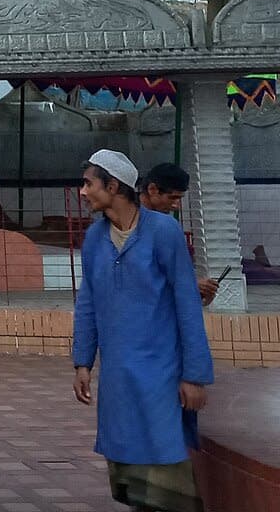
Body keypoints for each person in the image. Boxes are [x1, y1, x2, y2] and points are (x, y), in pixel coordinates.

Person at [72, 150, 213, 512]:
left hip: (161, 373)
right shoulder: (94, 239)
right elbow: (87, 302)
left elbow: (186, 303)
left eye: (89, 183)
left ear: (113, 185)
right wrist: (82, 362)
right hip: (118, 376)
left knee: (165, 469)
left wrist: (194, 375)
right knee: (133, 479)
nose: (83, 191)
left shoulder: (163, 232)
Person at [139, 162, 219, 305]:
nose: (176, 206)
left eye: (179, 199)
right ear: (152, 189)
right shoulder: (129, 223)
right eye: (172, 198)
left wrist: (197, 290)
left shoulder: (166, 226)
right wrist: (190, 285)